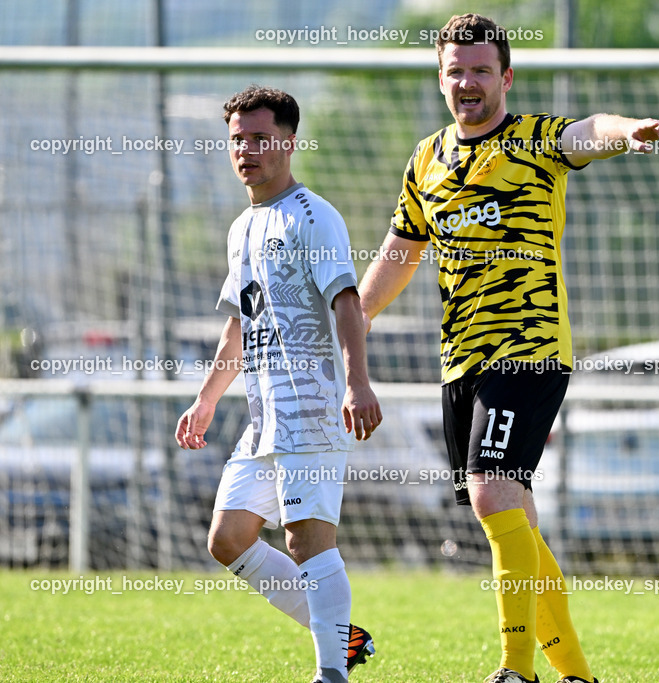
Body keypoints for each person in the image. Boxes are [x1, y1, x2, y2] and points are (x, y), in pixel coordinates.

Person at [358, 13, 659, 683]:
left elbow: (586, 130)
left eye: (480, 70)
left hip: (529, 351)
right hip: (461, 360)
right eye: (456, 70)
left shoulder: (534, 139)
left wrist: (629, 132)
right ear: (441, 78)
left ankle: (516, 669)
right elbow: (401, 252)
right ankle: (578, 675)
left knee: (490, 492)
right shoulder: (426, 158)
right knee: (515, 520)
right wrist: (356, 314)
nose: (467, 82)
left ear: (505, 76)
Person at [175, 85, 383, 683]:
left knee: (306, 540)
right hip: (263, 416)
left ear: (289, 143)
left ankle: (330, 672)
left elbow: (346, 303)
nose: (247, 150)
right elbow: (240, 322)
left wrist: (357, 383)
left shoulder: (314, 216)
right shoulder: (242, 226)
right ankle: (342, 635)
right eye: (238, 139)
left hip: (313, 407)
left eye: (261, 139)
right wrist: (207, 397)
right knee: (228, 537)